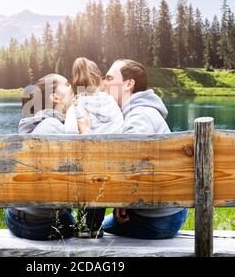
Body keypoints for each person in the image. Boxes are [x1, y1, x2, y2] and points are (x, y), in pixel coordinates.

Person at [101, 59, 188, 239]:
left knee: (92, 230)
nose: (104, 83)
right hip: (168, 211)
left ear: (128, 84)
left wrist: (123, 202)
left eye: (109, 78)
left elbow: (131, 166)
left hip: (158, 219)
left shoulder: (139, 116)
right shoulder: (142, 112)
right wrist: (124, 203)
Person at [5, 74, 77, 240]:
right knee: (81, 224)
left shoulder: (35, 124)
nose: (71, 87)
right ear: (55, 97)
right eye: (66, 84)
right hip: (40, 226)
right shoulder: (55, 128)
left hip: (13, 217)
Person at [64, 57, 124, 238]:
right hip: (110, 171)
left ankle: (85, 226)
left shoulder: (76, 106)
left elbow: (69, 133)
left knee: (86, 171)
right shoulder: (111, 103)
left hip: (85, 172)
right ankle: (94, 226)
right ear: (98, 79)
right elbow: (120, 129)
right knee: (101, 172)